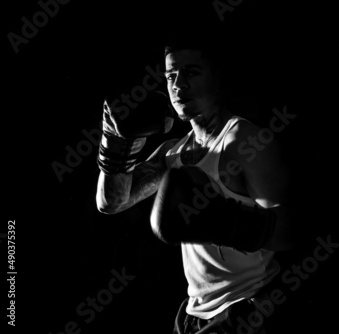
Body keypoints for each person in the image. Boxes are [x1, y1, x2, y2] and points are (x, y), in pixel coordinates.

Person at [96, 38, 296, 334]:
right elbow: (111, 202)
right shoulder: (173, 153)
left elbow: (291, 233)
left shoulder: (244, 140)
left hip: (247, 307)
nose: (178, 85)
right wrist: (116, 139)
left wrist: (222, 221)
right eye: (171, 76)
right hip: (193, 315)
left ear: (217, 78)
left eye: (190, 73)